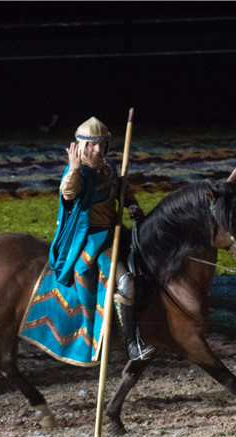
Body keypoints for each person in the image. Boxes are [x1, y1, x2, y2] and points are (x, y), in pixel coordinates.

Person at [50, 116, 150, 361]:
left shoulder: (108, 167)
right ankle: (123, 342)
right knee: (117, 280)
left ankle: (142, 331)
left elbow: (121, 190)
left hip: (114, 231)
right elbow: (68, 193)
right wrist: (73, 169)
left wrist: (132, 204)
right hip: (90, 237)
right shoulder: (77, 170)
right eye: (91, 144)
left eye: (101, 144)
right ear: (81, 146)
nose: (97, 149)